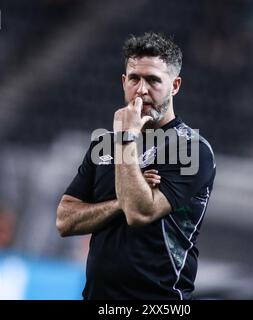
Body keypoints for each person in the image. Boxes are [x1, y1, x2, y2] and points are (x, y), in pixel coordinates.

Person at [56, 32, 216, 300]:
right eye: (134, 79)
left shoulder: (192, 149)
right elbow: (65, 220)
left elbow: (138, 213)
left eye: (153, 80)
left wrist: (125, 139)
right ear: (123, 81)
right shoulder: (104, 145)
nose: (141, 90)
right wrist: (120, 201)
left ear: (175, 85)